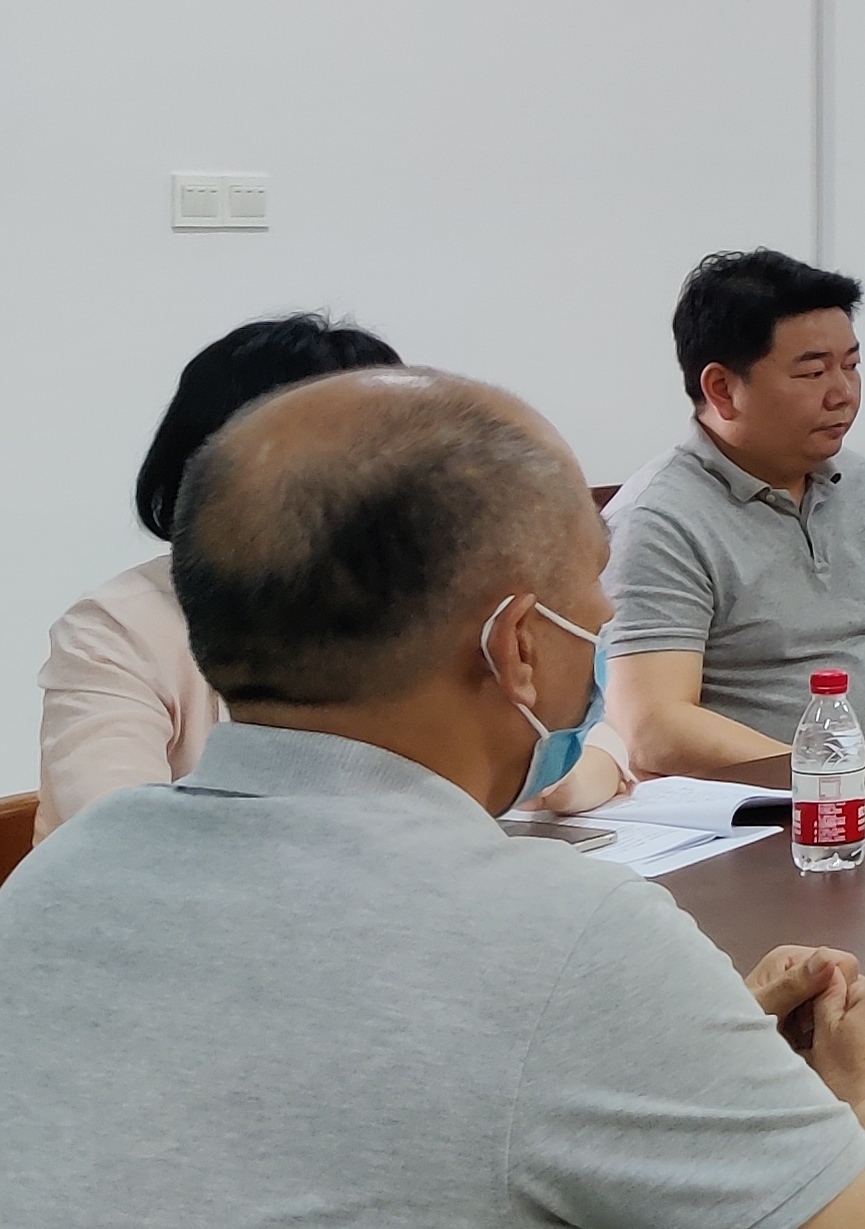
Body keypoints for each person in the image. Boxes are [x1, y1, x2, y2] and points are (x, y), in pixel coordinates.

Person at [0, 368, 865, 1229]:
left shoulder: (55, 887)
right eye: (591, 583)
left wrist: (685, 1049)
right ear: (517, 646)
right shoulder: (562, 937)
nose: (608, 617)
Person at [35, 313, 622, 840]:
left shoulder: (417, 601)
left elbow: (589, 737)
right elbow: (123, 833)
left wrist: (552, 776)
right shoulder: (117, 629)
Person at [604, 250, 865, 779]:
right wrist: (832, 770)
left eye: (851, 366)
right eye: (813, 372)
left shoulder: (864, 484)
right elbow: (655, 727)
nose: (844, 394)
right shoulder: (659, 521)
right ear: (722, 389)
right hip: (774, 805)